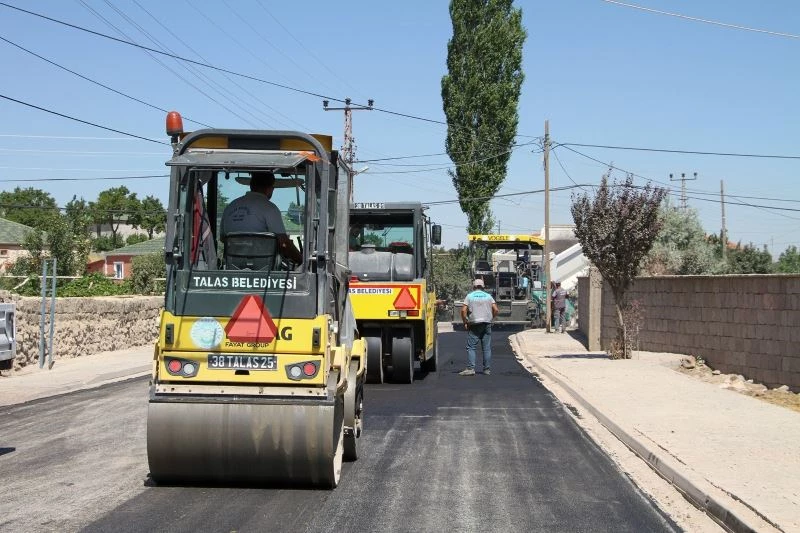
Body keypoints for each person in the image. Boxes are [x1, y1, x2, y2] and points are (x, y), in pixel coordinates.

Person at [221, 171, 302, 265]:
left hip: (232, 266)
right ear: (270, 189)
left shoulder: (230, 207)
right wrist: (301, 260)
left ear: (251, 186)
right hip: (263, 268)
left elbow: (223, 238)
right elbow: (283, 243)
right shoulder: (270, 208)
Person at [459, 278, 499, 376]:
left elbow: (463, 310)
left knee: (471, 347)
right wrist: (491, 318)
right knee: (486, 348)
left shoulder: (470, 296)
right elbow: (496, 309)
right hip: (486, 324)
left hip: (474, 324)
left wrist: (465, 321)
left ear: (474, 286)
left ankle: (470, 368)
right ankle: (486, 369)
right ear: (483, 287)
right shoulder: (488, 296)